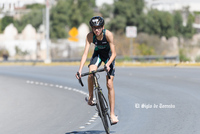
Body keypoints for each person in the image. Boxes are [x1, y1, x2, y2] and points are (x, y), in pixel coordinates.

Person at [76, 16, 119, 124]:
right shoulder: (90, 36)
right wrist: (80, 70)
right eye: (94, 28)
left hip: (109, 57)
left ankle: (112, 114)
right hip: (98, 55)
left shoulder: (108, 34)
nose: (96, 30)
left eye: (99, 27)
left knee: (109, 83)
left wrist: (108, 64)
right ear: (91, 28)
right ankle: (91, 97)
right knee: (91, 73)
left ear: (103, 27)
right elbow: (85, 53)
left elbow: (114, 53)